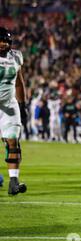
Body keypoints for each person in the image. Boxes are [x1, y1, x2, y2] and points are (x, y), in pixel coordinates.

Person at [0, 27, 27, 195]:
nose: (3, 44)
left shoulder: (16, 56)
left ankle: (13, 182)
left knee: (13, 141)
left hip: (9, 104)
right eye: (1, 41)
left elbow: (18, 83)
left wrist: (23, 105)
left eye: (6, 41)